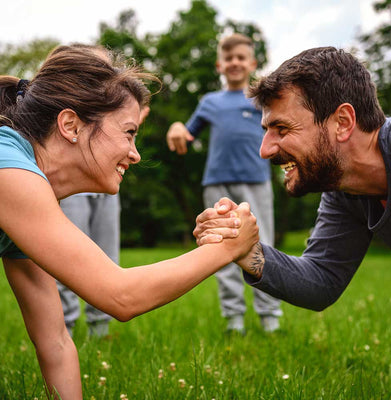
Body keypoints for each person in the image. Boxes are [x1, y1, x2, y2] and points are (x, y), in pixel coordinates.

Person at [0, 43, 259, 400]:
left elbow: (55, 342)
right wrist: (228, 247)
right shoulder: (7, 168)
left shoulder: (23, 185)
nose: (135, 154)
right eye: (128, 132)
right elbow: (120, 296)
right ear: (71, 125)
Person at [194, 46, 391, 314]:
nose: (264, 150)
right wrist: (247, 251)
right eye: (267, 131)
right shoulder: (346, 189)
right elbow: (320, 280)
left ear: (343, 122)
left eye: (282, 129)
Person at [166, 33, 281, 335]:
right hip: (217, 184)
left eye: (241, 57)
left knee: (262, 246)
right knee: (221, 248)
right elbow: (186, 134)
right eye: (228, 58)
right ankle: (234, 320)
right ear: (219, 64)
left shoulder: (261, 99)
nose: (235, 62)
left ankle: (270, 318)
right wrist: (177, 128)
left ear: (252, 63)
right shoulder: (209, 102)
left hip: (256, 182)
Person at [57, 192, 120, 337]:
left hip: (108, 189)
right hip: (72, 188)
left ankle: (100, 332)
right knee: (66, 263)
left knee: (107, 263)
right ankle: (63, 333)